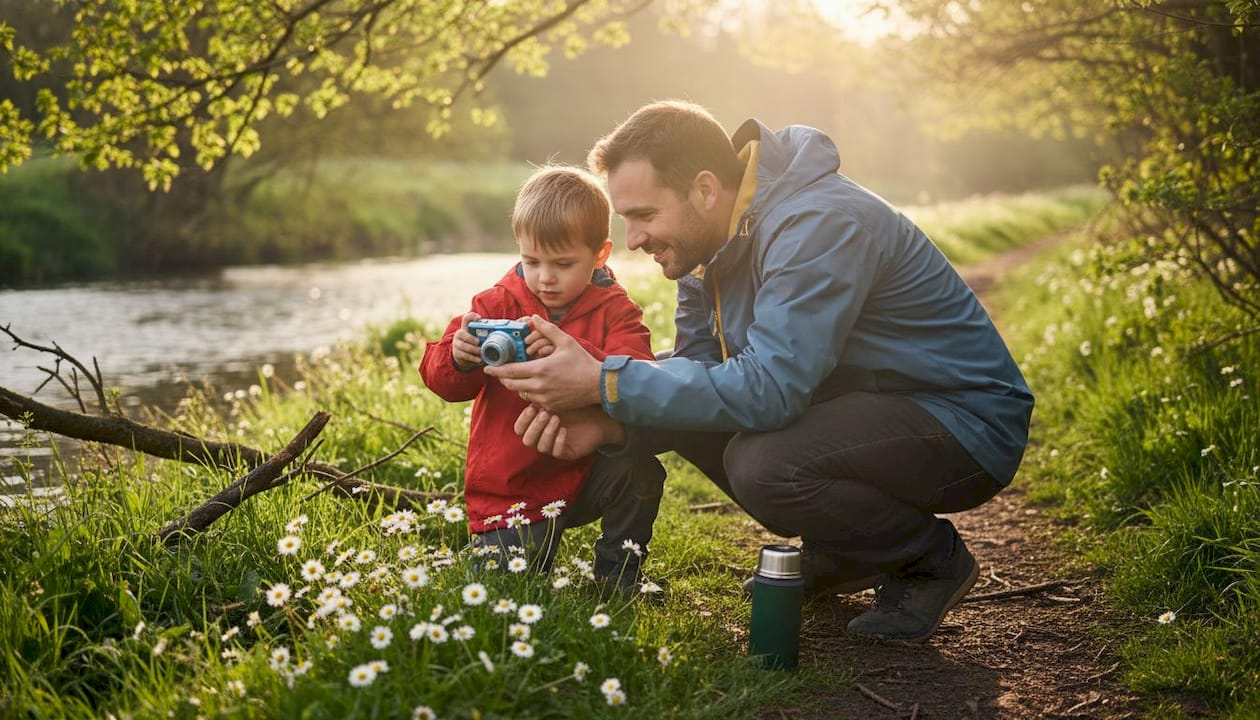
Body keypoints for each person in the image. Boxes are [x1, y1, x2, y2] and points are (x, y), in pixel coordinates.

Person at [485, 101, 1035, 643]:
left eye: (644, 216)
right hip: (862, 407)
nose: (633, 241)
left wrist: (603, 381)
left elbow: (771, 391)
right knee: (680, 404)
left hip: (961, 423)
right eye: (627, 219)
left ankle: (930, 562)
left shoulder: (816, 225)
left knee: (764, 464)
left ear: (704, 189)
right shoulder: (709, 240)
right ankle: (848, 549)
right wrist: (606, 416)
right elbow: (699, 370)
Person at [418, 165, 665, 597]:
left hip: (585, 471)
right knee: (506, 592)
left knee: (641, 472)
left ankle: (617, 577)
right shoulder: (495, 304)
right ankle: (507, 551)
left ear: (600, 255)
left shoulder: (617, 311)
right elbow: (443, 382)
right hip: (512, 490)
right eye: (531, 261)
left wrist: (579, 361)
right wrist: (458, 357)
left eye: (563, 263)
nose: (545, 277)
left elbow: (637, 374)